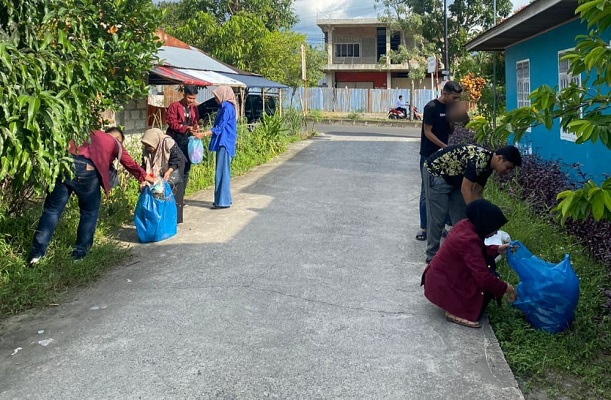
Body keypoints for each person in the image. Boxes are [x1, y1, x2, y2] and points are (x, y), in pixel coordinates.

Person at [30, 129, 153, 264]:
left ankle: (36, 255)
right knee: (89, 212)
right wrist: (148, 178)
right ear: (118, 138)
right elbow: (130, 164)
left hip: (64, 165)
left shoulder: (89, 132)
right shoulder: (115, 143)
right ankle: (79, 254)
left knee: (52, 211)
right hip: (87, 171)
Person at [421, 199, 517, 328]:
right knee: (485, 290)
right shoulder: (467, 239)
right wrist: (507, 288)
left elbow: (476, 253)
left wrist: (497, 249)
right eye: (494, 229)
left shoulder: (465, 225)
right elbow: (483, 277)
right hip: (443, 284)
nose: (495, 233)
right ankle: (454, 311)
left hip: (441, 277)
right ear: (485, 225)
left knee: (491, 281)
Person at [423, 144, 522, 263]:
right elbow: (466, 190)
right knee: (437, 217)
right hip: (437, 172)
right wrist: (475, 217)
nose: (507, 172)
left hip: (455, 178)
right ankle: (432, 256)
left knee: (461, 220)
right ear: (500, 158)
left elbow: (477, 192)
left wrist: (482, 217)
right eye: (508, 167)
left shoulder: (488, 166)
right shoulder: (479, 159)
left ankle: (459, 253)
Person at [416, 81, 464, 242]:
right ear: (444, 93)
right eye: (454, 97)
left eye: (458, 98)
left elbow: (450, 130)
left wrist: (452, 121)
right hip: (429, 155)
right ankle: (424, 227)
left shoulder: (450, 108)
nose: (455, 100)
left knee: (445, 191)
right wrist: (445, 147)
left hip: (444, 156)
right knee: (427, 192)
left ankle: (440, 226)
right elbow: (427, 132)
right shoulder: (431, 107)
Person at [192, 86, 237, 209]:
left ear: (223, 95)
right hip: (224, 142)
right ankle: (225, 199)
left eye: (217, 96)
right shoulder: (224, 107)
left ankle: (222, 202)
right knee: (224, 171)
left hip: (224, 142)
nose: (215, 99)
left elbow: (219, 128)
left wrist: (203, 134)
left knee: (221, 172)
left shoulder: (226, 108)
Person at [141, 128, 187, 223]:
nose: (147, 148)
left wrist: (169, 171)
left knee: (173, 191)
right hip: (160, 169)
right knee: (157, 190)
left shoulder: (167, 142)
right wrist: (144, 179)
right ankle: (160, 215)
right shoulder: (147, 149)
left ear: (155, 141)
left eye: (149, 146)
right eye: (146, 145)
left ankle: (174, 219)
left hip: (175, 167)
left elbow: (177, 159)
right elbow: (145, 166)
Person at [166, 85, 200, 185]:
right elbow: (171, 123)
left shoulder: (194, 109)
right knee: (176, 166)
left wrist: (195, 128)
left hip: (188, 141)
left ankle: (181, 197)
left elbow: (196, 121)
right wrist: (186, 128)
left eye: (194, 98)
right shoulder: (174, 106)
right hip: (175, 140)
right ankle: (173, 195)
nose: (191, 101)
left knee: (186, 167)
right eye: (189, 98)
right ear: (184, 95)